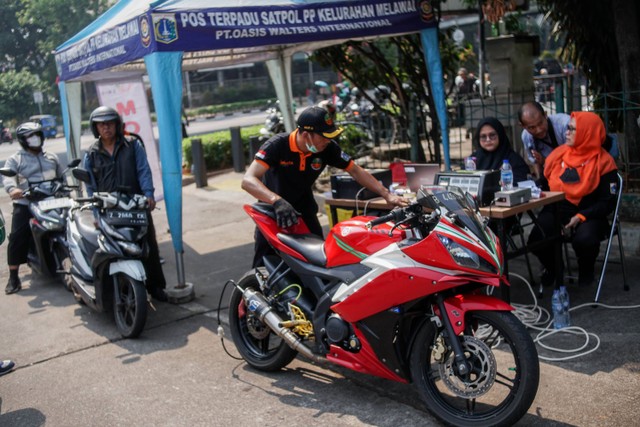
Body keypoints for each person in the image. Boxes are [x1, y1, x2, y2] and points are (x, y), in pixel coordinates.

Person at [242, 105, 408, 268]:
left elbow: (356, 171)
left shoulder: (327, 149)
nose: (328, 141)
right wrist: (276, 201)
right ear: (306, 135)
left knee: (317, 264)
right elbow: (248, 180)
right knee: (263, 268)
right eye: (324, 136)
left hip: (304, 211)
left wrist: (387, 194)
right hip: (274, 212)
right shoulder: (277, 145)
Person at [82, 106, 168, 302]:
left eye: (110, 123)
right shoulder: (91, 154)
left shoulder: (132, 145)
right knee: (109, 248)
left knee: (148, 247)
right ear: (96, 128)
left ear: (117, 125)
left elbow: (143, 171)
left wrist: (148, 195)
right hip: (109, 210)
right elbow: (90, 186)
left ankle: (156, 287)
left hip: (135, 207)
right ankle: (112, 290)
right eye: (101, 124)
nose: (106, 128)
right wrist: (96, 213)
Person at [528, 111, 618, 288]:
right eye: (567, 128)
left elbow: (607, 202)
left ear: (588, 132)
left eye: (572, 129)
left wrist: (582, 216)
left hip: (590, 213)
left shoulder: (604, 162)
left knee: (584, 239)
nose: (566, 133)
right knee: (536, 239)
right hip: (558, 209)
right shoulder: (558, 155)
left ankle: (586, 270)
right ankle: (555, 268)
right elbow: (544, 184)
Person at [2, 122, 64, 294]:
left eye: (37, 134)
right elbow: (8, 178)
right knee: (17, 236)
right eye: (30, 136)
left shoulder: (51, 157)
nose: (35, 138)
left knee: (72, 225)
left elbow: (62, 176)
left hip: (52, 200)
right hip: (26, 202)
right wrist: (13, 189)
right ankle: (13, 277)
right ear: (23, 140)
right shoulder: (16, 159)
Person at [518, 101, 570, 179]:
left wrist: (545, 161)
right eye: (532, 128)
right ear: (522, 126)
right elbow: (535, 162)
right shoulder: (526, 136)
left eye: (540, 123)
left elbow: (574, 158)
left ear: (545, 115)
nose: (539, 130)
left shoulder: (564, 125)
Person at [471, 117, 530, 184]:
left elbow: (521, 185)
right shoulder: (473, 160)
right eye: (483, 136)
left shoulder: (514, 160)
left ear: (500, 135)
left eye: (492, 135)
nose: (488, 140)